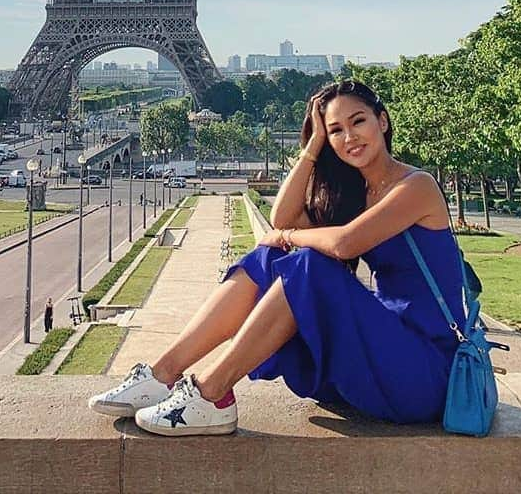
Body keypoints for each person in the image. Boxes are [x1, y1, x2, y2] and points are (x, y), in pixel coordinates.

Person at [88, 79, 464, 436]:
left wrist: (288, 236)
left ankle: (211, 391)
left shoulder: (417, 186)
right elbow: (281, 217)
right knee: (269, 257)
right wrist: (313, 144)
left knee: (307, 264)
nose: (349, 137)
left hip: (425, 370)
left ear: (382, 120)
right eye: (335, 130)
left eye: (358, 121)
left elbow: (344, 244)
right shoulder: (360, 195)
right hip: (385, 352)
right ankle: (162, 375)